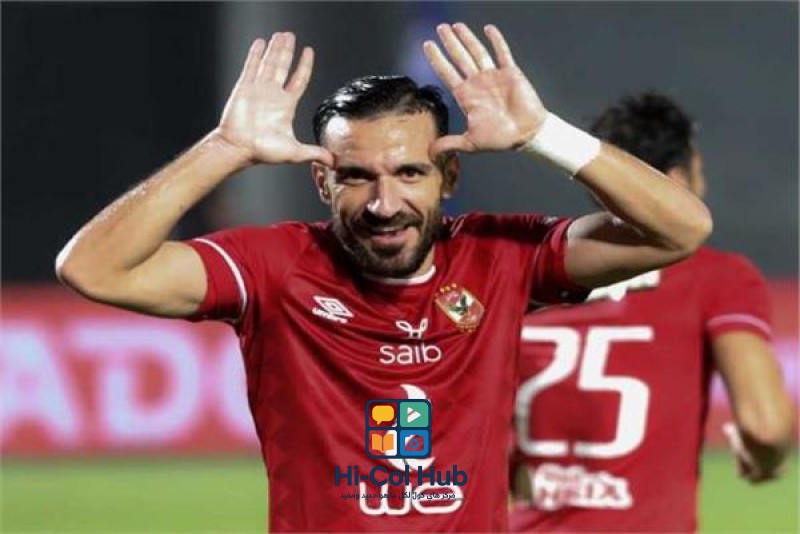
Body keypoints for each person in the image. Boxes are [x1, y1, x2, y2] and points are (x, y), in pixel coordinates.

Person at [55, 24, 712, 532]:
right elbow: (92, 267)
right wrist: (222, 150)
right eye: (356, 176)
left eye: (409, 173)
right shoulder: (274, 268)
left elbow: (679, 230)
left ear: (448, 176)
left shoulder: (499, 256)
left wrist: (543, 134)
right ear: (322, 181)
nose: (384, 203)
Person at [509, 92, 795, 532]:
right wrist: (766, 458)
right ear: (678, 179)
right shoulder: (716, 278)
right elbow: (766, 426)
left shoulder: (530, 273)